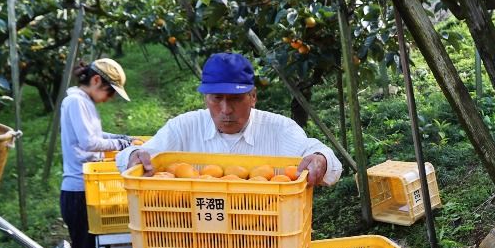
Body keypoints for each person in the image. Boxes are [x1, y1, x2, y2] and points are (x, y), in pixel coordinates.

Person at [117, 53, 342, 186]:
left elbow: (329, 164)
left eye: (235, 99)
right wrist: (134, 156)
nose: (225, 110)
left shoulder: (279, 129)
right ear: (206, 98)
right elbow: (134, 156)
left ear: (253, 97)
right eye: (217, 98)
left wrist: (320, 159)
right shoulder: (184, 127)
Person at [59, 58, 133, 248]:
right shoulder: (76, 102)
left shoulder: (82, 101)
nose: (110, 98)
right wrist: (122, 144)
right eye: (110, 92)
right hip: (79, 191)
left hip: (87, 189)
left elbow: (96, 135)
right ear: (96, 80)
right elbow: (89, 142)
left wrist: (123, 138)